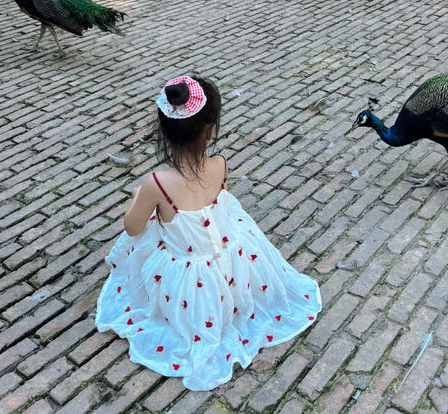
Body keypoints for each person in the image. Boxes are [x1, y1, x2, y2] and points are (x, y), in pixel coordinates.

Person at [95, 74, 321, 391]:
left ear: (163, 130)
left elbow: (132, 228)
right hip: (230, 264)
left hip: (190, 282)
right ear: (210, 131)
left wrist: (137, 198)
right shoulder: (220, 164)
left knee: (144, 240)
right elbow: (213, 210)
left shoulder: (157, 183)